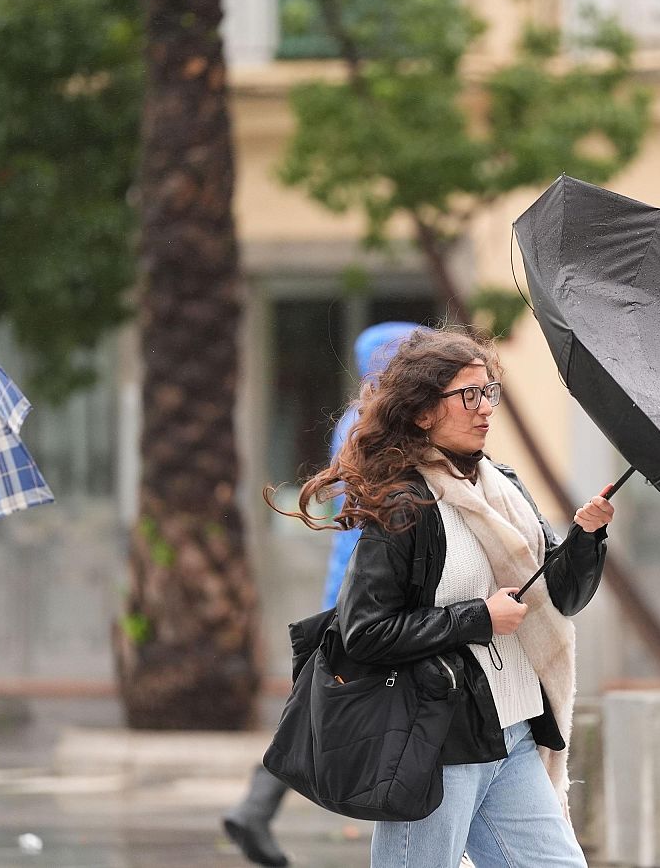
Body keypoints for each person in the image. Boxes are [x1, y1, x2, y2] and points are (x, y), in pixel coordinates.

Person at [276, 326, 615, 867]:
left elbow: (559, 597)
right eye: (468, 395)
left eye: (489, 392)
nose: (484, 409)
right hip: (434, 741)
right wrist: (477, 617)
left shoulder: (502, 489)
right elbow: (364, 631)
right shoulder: (405, 504)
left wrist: (586, 537)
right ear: (422, 411)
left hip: (513, 730)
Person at [224, 320, 423, 867]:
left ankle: (255, 810)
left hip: (348, 583)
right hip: (370, 589)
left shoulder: (355, 424)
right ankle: (258, 810)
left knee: (318, 701)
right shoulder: (383, 429)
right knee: (331, 705)